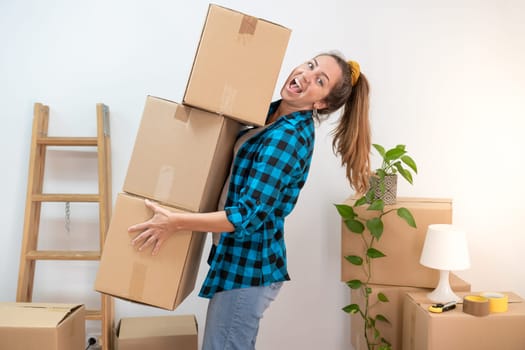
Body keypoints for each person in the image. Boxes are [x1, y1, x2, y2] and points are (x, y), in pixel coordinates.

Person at [128, 51, 371, 349]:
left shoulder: (288, 137)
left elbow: (246, 215)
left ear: (320, 103)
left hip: (249, 270)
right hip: (239, 264)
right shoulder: (271, 114)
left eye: (320, 80)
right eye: (310, 65)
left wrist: (175, 222)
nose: (307, 74)